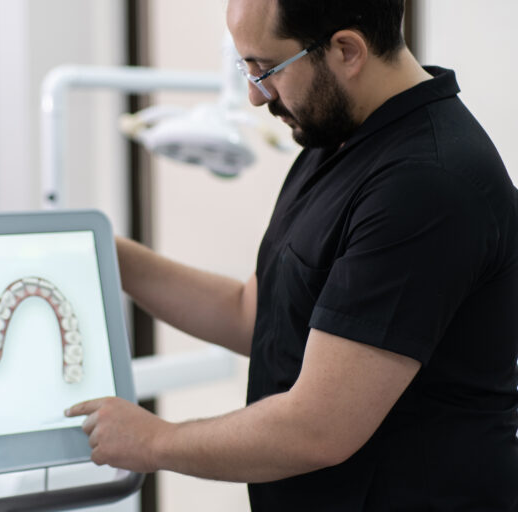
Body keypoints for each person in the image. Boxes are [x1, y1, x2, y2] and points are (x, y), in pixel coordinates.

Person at [65, 0, 518, 509]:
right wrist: (109, 257)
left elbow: (318, 427)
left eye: (266, 69)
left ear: (347, 50)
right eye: (246, 69)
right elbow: (253, 314)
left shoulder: (428, 184)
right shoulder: (336, 141)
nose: (257, 96)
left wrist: (153, 442)